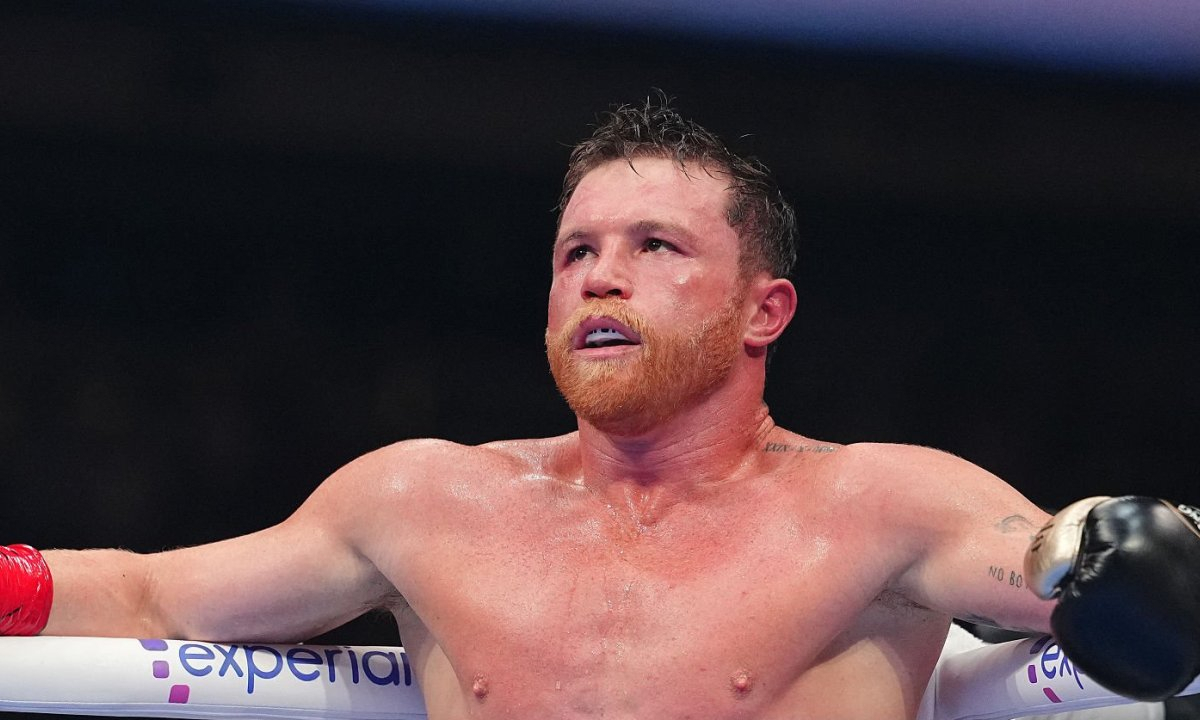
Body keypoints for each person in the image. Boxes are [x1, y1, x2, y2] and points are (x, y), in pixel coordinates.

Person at [3, 97, 1198, 720]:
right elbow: (155, 597)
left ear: (764, 310)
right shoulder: (426, 500)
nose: (600, 278)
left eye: (654, 246)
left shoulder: (879, 503)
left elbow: (1053, 559)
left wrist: (1128, 548)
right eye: (576, 251)